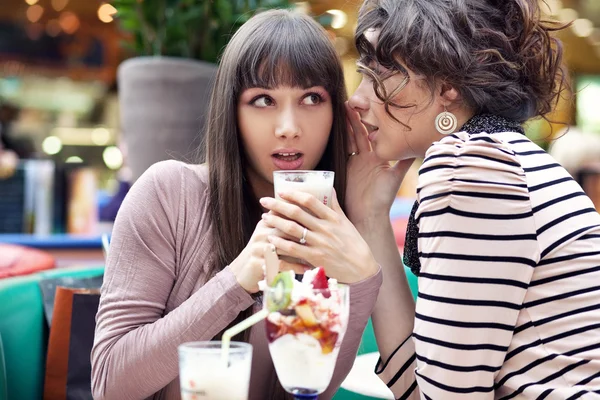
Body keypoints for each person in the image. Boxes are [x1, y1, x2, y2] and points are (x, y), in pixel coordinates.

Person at [262, 0, 600, 398]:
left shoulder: (471, 166)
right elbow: (424, 387)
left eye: (381, 73)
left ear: (447, 86)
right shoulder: (497, 155)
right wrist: (370, 214)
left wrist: (357, 260)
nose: (357, 98)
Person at [91, 9, 382, 400]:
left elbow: (307, 392)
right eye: (263, 100)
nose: (289, 126)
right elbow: (111, 384)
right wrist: (237, 280)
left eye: (312, 97)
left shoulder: (330, 227)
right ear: (232, 110)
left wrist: (362, 279)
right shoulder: (169, 194)